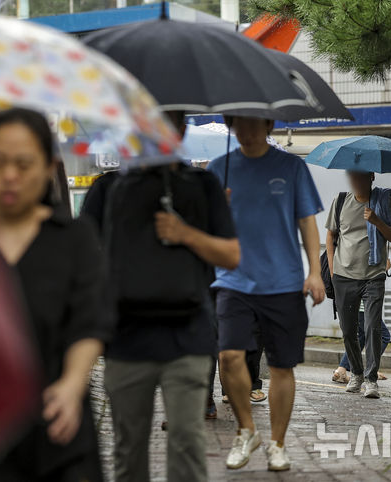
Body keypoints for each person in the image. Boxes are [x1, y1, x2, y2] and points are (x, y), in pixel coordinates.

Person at [81, 111, 239, 482]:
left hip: (188, 337)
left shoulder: (203, 184)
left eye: (171, 119)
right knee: (128, 450)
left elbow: (230, 255)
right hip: (125, 340)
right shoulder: (107, 189)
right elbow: (83, 259)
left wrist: (187, 234)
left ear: (182, 126)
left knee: (186, 444)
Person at [0, 108, 111, 482]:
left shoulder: (73, 238)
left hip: (60, 421)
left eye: (23, 164)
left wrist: (72, 384)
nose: (9, 176)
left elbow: (89, 323)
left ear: (48, 166)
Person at [207, 116, 325, 472]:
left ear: (269, 123)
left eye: (255, 122)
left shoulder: (291, 167)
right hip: (233, 280)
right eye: (239, 122)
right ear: (231, 124)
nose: (247, 129)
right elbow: (206, 227)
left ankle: (277, 443)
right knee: (229, 356)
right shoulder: (218, 169)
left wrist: (316, 272)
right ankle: (247, 430)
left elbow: (307, 221)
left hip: (284, 283)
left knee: (280, 366)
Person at [326, 171, 391, 399]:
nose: (355, 182)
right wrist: (332, 270)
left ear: (371, 178)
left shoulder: (386, 201)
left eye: (360, 178)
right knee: (349, 331)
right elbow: (331, 236)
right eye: (352, 178)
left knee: (373, 327)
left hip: (373, 276)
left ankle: (371, 379)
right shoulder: (340, 201)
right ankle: (355, 373)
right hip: (344, 275)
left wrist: (377, 221)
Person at [332, 304, 391, 383]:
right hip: (365, 308)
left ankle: (341, 370)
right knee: (383, 336)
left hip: (353, 306)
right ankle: (370, 370)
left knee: (361, 337)